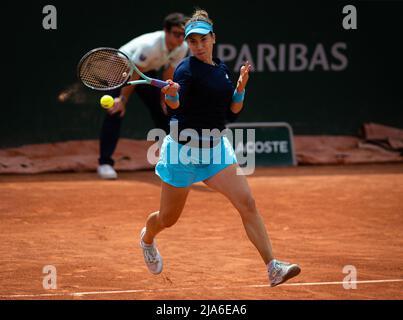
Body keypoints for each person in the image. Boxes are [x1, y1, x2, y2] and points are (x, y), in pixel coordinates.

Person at [139, 9, 301, 287]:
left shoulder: (223, 71)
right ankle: (147, 238)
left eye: (203, 40)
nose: (198, 46)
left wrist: (240, 88)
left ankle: (273, 267)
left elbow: (232, 112)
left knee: (247, 203)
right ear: (188, 44)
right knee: (167, 218)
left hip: (215, 150)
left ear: (213, 38)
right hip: (182, 153)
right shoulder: (185, 69)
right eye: (192, 42)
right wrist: (173, 95)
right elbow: (177, 108)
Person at [97, 13, 189, 179]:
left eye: (184, 34)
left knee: (164, 112)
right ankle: (104, 163)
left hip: (145, 70)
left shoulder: (182, 47)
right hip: (121, 68)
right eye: (176, 34)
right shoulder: (150, 46)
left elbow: (169, 71)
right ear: (166, 32)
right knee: (116, 111)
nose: (181, 38)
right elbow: (133, 73)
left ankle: (173, 160)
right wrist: (122, 100)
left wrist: (164, 99)